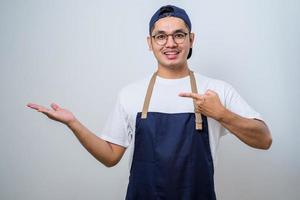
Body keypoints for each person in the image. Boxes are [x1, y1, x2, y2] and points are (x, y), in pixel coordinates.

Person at [27, 5, 272, 200]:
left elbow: (264, 139)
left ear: (191, 39)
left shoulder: (216, 90)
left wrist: (220, 113)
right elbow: (111, 157)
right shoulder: (131, 94)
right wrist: (74, 124)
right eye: (161, 36)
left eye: (179, 35)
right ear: (150, 43)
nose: (170, 43)